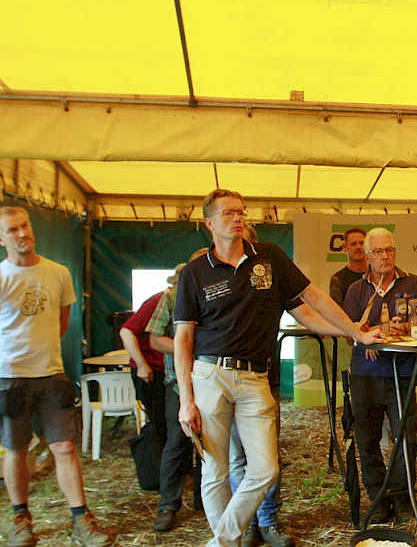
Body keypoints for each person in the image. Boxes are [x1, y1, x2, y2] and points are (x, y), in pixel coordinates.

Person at [173, 189, 384, 547]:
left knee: (266, 468)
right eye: (227, 213)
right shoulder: (194, 273)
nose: (237, 218)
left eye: (241, 212)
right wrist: (185, 399)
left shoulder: (268, 257)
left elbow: (312, 303)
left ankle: (220, 541)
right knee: (215, 470)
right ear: (209, 223)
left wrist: (355, 332)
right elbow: (183, 340)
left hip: (256, 376)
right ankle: (231, 542)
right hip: (210, 374)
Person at [0, 206, 113, 547]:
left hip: (52, 374)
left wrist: (44, 356)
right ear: (2, 237)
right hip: (9, 377)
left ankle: (82, 520)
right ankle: (21, 520)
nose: (22, 234)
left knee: (64, 447)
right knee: (16, 449)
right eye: (13, 229)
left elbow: (62, 324)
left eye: (25, 226)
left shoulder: (58, 272)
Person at [342, 227, 417, 524]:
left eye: (389, 250)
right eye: (378, 252)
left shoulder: (412, 282)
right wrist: (369, 334)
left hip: (402, 373)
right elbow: (348, 333)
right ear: (367, 257)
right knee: (366, 439)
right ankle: (377, 497)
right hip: (365, 374)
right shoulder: (356, 290)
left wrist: (403, 329)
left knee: (406, 438)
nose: (385, 256)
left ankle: (402, 496)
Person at [227, 223, 294, 547]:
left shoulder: (270, 282)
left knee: (266, 457)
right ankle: (248, 522)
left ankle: (268, 521)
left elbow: (304, 305)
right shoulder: (216, 280)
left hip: (264, 379)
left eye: (250, 246)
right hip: (224, 382)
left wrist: (349, 330)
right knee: (236, 458)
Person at [147, 255, 207, 532]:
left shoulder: (222, 293)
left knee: (212, 444)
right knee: (177, 443)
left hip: (213, 382)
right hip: (177, 382)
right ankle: (168, 504)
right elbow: (155, 338)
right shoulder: (171, 296)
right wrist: (185, 350)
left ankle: (203, 500)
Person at [120, 287, 168, 455]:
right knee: (160, 423)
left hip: (170, 372)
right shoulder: (157, 302)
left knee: (169, 424)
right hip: (151, 371)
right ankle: (155, 471)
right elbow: (126, 332)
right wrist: (142, 364)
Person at [330, 227, 368, 306]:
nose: (358, 247)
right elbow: (337, 313)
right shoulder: (338, 279)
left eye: (362, 243)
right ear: (345, 247)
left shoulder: (377, 274)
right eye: (353, 244)